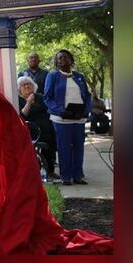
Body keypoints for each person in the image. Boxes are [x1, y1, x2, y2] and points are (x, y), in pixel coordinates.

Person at [43, 49, 92, 186]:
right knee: (64, 147)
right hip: (61, 119)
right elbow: (47, 97)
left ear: (71, 60)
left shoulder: (80, 76)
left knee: (78, 147)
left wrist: (86, 111)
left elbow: (87, 96)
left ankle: (78, 175)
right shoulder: (53, 76)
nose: (62, 59)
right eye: (59, 58)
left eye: (65, 57)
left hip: (79, 117)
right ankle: (65, 176)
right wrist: (60, 111)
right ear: (56, 62)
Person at [17, 76, 59, 180]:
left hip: (47, 128)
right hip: (31, 129)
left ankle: (50, 171)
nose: (26, 86)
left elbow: (49, 109)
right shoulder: (18, 100)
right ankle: (34, 172)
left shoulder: (40, 97)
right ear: (19, 89)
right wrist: (28, 103)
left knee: (51, 143)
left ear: (33, 86)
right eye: (23, 85)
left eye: (29, 84)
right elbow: (22, 116)